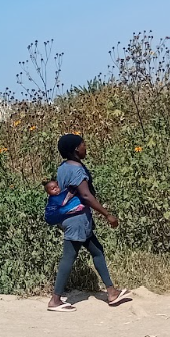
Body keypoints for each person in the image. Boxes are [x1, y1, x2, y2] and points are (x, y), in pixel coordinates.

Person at [47, 133, 132, 311]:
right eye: (83, 144)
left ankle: (111, 292)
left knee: (97, 251)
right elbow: (86, 195)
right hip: (76, 220)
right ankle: (55, 300)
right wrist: (107, 215)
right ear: (76, 149)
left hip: (73, 218)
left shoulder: (63, 167)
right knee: (69, 257)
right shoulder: (77, 170)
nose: (86, 147)